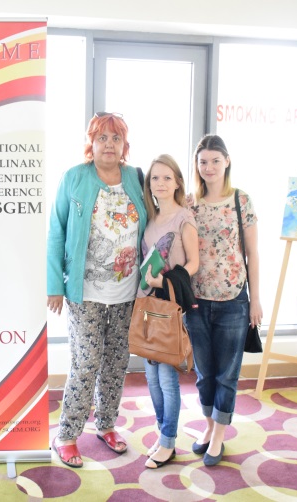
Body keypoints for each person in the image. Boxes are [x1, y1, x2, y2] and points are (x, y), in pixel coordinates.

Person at [46, 112, 147, 468]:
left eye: (115, 138)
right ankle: (66, 435)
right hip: (85, 292)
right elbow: (56, 231)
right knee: (86, 363)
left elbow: (156, 221)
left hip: (127, 293)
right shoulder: (74, 177)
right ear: (91, 142)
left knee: (117, 363)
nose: (109, 144)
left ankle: (106, 425)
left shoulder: (136, 178)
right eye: (102, 137)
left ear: (124, 144)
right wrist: (54, 285)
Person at [185, 134, 263, 467]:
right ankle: (208, 425)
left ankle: (218, 434)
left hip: (234, 300)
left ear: (227, 161)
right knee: (204, 373)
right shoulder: (191, 203)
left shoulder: (241, 200)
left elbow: (253, 253)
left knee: (227, 374)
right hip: (196, 300)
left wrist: (255, 299)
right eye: (203, 162)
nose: (209, 167)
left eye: (216, 160)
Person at [138, 154, 198, 469]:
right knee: (151, 376)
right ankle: (164, 435)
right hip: (147, 305)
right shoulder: (150, 219)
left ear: (177, 183)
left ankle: (168, 442)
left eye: (166, 178)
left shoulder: (183, 217)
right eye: (154, 178)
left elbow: (194, 263)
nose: (160, 183)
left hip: (171, 306)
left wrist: (165, 280)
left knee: (166, 377)